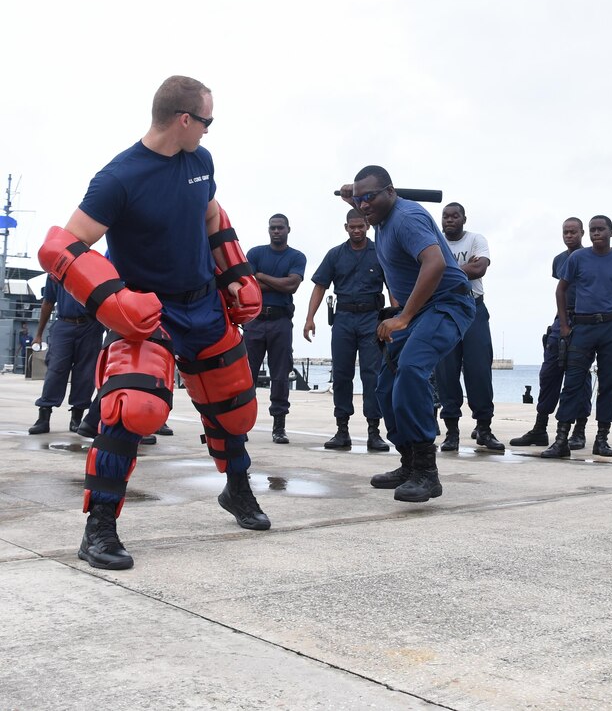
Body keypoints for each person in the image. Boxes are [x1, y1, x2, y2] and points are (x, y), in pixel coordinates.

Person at [38, 75, 270, 571]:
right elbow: (65, 246)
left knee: (232, 406)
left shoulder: (201, 161)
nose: (210, 131)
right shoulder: (118, 178)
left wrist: (233, 274)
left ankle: (237, 490)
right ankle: (99, 527)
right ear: (183, 119)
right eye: (207, 121)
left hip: (204, 305)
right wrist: (114, 299)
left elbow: (210, 217)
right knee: (132, 409)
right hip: (149, 314)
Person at [339, 166, 475, 502]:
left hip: (446, 304)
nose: (364, 205)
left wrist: (404, 317)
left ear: (390, 191)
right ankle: (409, 461)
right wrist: (354, 196)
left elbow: (435, 264)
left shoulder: (406, 218)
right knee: (386, 383)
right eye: (359, 200)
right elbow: (365, 202)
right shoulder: (380, 216)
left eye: (370, 197)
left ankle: (427, 473)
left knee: (413, 369)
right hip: (421, 310)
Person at [542, 215, 612, 458]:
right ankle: (561, 440)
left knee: (609, 384)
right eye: (592, 230)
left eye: (601, 229)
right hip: (582, 327)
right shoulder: (578, 258)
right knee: (572, 383)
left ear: (611, 232)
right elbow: (561, 289)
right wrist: (565, 325)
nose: (596, 233)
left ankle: (602, 439)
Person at [303, 209, 391, 452]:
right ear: (346, 227)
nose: (356, 231)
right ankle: (342, 430)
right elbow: (320, 286)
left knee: (372, 374)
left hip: (371, 318)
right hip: (343, 318)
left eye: (360, 226)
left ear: (367, 226)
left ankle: (374, 431)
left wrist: (398, 318)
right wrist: (309, 318)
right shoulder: (335, 254)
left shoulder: (380, 252)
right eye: (352, 227)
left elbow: (392, 285)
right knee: (341, 375)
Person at [509, 217, 593, 449]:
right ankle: (540, 427)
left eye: (573, 232)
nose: (569, 235)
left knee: (580, 376)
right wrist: (562, 321)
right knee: (549, 373)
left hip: (585, 320)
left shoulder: (591, 258)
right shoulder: (559, 260)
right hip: (561, 318)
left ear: (582, 233)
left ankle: (579, 429)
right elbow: (561, 291)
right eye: (565, 232)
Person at [433, 202, 504, 452]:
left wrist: (444, 270)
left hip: (473, 307)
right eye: (445, 216)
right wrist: (463, 269)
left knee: (479, 371)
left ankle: (484, 428)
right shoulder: (435, 241)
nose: (449, 220)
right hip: (443, 309)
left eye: (455, 216)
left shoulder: (476, 239)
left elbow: (479, 268)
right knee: (446, 372)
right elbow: (427, 271)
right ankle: (451, 432)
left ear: (464, 219)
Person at [245, 214, 306, 444]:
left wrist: (260, 275)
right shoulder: (255, 253)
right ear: (268, 229)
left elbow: (291, 286)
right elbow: (248, 284)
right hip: (254, 321)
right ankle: (242, 424)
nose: (276, 231)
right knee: (246, 375)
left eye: (280, 227)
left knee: (280, 376)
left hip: (281, 322)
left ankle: (278, 427)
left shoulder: (297, 256)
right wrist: (276, 282)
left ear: (288, 229)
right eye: (273, 227)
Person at [27, 278, 103, 435]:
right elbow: (48, 302)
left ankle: (76, 418)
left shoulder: (94, 268)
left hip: (91, 325)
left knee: (86, 373)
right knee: (55, 369)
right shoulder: (56, 271)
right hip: (64, 324)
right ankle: (43, 418)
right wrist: (39, 334)